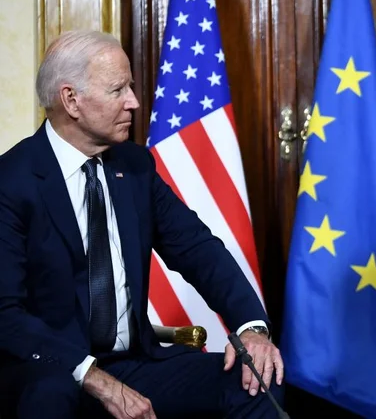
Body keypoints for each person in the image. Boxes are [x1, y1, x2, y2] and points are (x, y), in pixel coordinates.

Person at [0, 31, 284, 418]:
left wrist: (252, 327)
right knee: (49, 396)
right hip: (50, 369)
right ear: (71, 100)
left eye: (130, 86)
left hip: (134, 364)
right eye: (118, 90)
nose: (134, 101)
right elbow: (6, 314)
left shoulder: (134, 167)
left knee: (257, 381)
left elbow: (198, 249)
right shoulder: (12, 181)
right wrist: (93, 376)